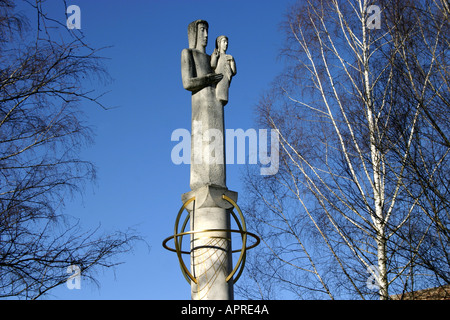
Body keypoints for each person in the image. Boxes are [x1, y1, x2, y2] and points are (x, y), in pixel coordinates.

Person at [211, 35, 237, 106]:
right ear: (219, 43)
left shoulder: (229, 57)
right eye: (224, 41)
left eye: (227, 42)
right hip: (218, 80)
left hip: (225, 81)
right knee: (218, 98)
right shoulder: (216, 54)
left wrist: (232, 61)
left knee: (223, 99)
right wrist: (215, 57)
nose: (226, 44)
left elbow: (233, 72)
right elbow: (213, 65)